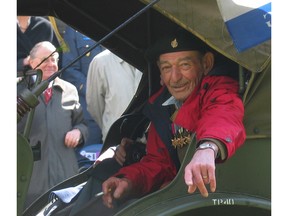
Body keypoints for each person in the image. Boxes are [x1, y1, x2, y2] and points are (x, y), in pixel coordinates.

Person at [99, 29, 246, 211]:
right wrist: (127, 182)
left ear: (206, 64)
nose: (175, 78)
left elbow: (223, 113)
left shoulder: (219, 88)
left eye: (184, 65)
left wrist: (207, 148)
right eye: (167, 68)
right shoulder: (163, 106)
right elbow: (158, 163)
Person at [17, 41, 89, 208]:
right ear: (33, 62)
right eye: (46, 59)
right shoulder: (17, 93)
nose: (51, 64)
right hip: (30, 182)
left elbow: (83, 125)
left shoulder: (69, 90)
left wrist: (78, 132)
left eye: (54, 59)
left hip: (65, 182)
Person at [60, 26, 105, 171]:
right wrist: (94, 90)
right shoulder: (73, 30)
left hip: (115, 109)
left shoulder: (115, 24)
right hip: (89, 113)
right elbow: (69, 69)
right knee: (85, 167)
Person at [86, 49, 142, 141]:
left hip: (149, 140)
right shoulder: (100, 62)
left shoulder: (149, 57)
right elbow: (94, 106)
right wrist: (111, 126)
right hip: (115, 142)